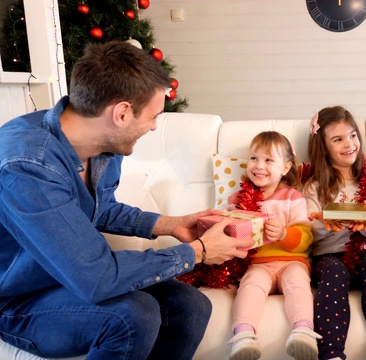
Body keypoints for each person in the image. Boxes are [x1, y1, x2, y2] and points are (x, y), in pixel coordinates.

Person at [0, 41, 254, 359]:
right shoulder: (27, 165)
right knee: (133, 317)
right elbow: (96, 278)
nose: (153, 126)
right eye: (152, 116)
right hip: (19, 299)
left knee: (191, 306)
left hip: (73, 275)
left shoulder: (105, 146)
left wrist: (170, 224)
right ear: (121, 113)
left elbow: (98, 208)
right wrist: (198, 252)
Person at [302, 106, 366, 360]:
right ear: (323, 148)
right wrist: (329, 221)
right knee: (334, 272)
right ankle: (331, 353)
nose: (349, 144)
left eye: (353, 136)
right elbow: (307, 232)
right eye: (338, 139)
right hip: (330, 257)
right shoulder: (315, 188)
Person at [226, 131, 320, 360]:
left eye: (269, 160)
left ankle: (303, 331)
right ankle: (244, 336)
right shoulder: (237, 198)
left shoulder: (293, 197)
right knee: (250, 286)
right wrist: (228, 219)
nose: (259, 166)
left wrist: (284, 233)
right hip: (258, 263)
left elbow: (306, 237)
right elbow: (225, 234)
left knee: (298, 284)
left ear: (286, 167)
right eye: (254, 158)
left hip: (292, 261)